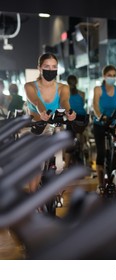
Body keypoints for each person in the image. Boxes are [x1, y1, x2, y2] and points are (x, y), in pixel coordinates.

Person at [24, 52, 77, 193]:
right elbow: (36, 101)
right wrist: (42, 112)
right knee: (37, 166)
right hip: (36, 128)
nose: (51, 69)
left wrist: (69, 111)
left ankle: (54, 191)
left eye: (54, 66)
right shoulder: (30, 86)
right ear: (39, 68)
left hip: (53, 128)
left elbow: (65, 101)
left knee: (59, 164)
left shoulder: (62, 88)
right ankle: (34, 202)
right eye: (47, 66)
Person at [92, 65, 116, 191]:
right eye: (109, 75)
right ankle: (100, 184)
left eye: (114, 75)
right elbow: (95, 106)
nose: (112, 77)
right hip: (100, 123)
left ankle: (115, 174)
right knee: (101, 152)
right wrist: (100, 116)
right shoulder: (98, 89)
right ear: (104, 76)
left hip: (114, 124)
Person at [64, 74, 88, 169]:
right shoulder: (82, 94)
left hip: (71, 118)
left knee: (68, 143)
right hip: (82, 118)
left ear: (67, 83)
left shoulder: (65, 95)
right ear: (77, 83)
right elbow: (83, 105)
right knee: (82, 140)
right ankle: (83, 161)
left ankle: (66, 166)